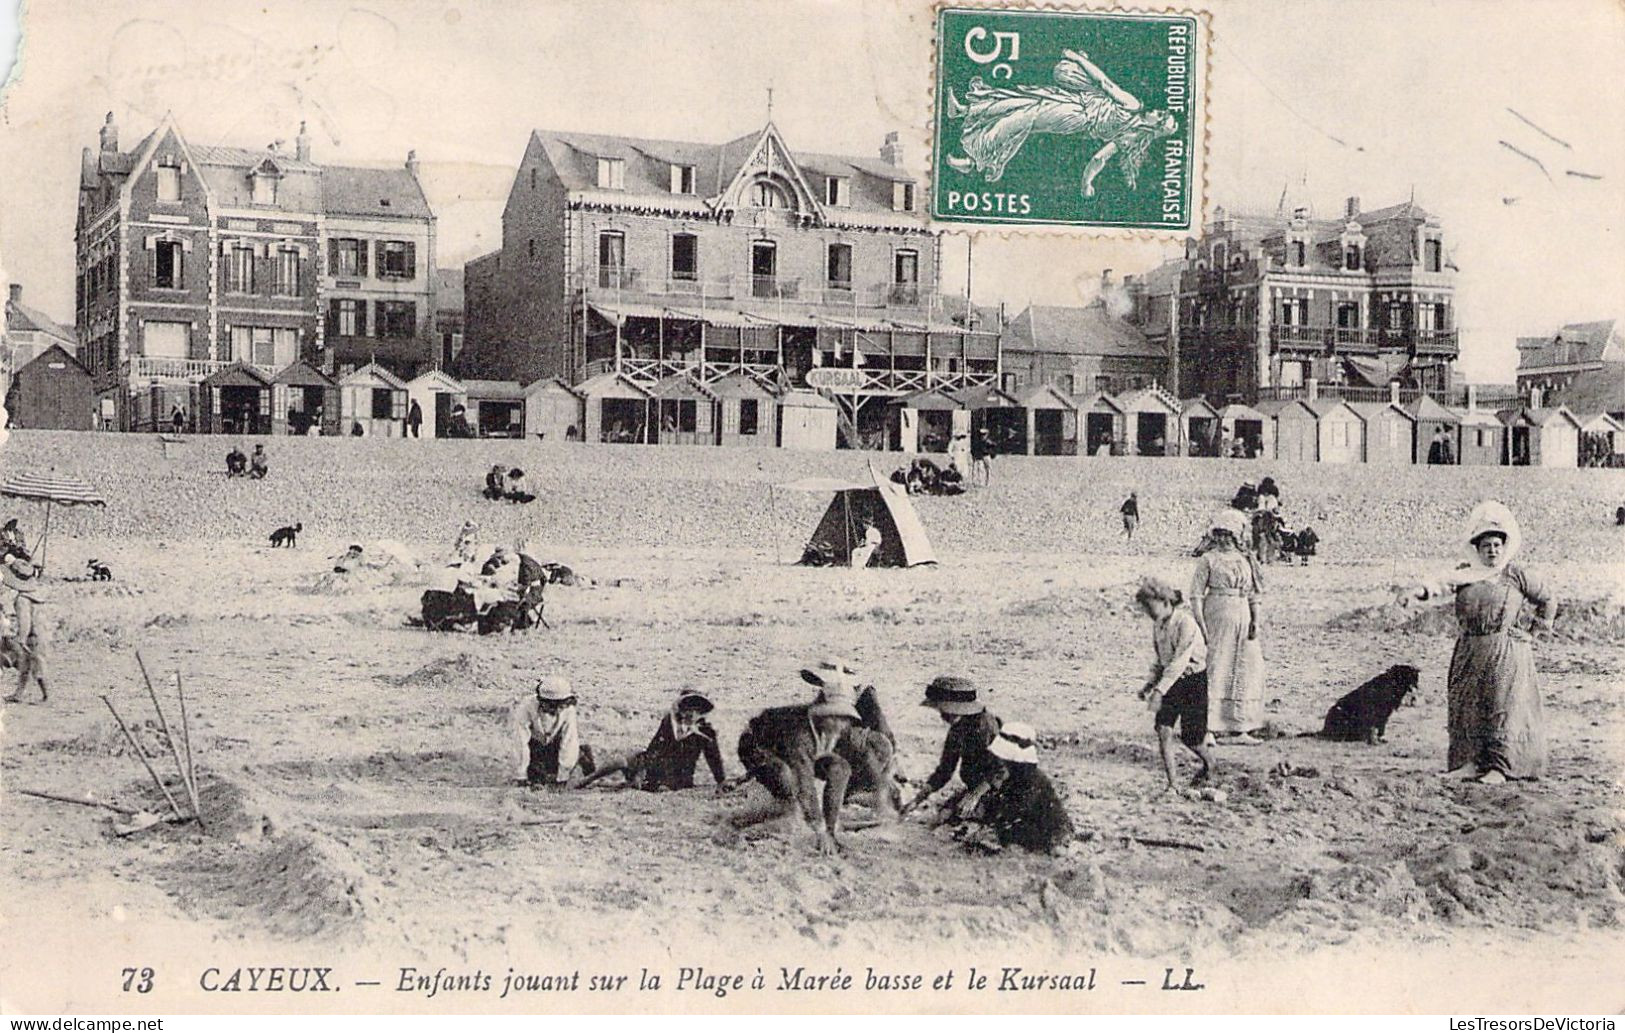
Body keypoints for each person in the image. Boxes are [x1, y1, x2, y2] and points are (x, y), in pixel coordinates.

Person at [1396, 501, 1553, 785]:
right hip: (1469, 650)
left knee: (1502, 706)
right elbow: (1438, 585)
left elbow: (1548, 600)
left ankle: (1499, 767)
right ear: (1476, 549)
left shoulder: (1516, 575)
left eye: (1496, 545)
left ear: (1504, 547)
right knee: (1466, 705)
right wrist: (1413, 592)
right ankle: (1468, 763)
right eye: (1486, 546)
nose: (1492, 550)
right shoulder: (1465, 573)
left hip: (1506, 652)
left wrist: (1535, 632)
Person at [1189, 509, 1265, 744]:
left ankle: (1240, 727)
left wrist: (1255, 621)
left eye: (1227, 535)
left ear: (1236, 537)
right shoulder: (1208, 559)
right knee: (1217, 666)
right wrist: (1201, 625)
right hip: (1217, 615)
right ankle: (1208, 728)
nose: (1222, 539)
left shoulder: (1245, 560)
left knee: (1245, 668)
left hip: (1242, 614)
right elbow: (1196, 594)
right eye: (1219, 534)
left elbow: (1253, 594)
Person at [1134, 577, 1214, 792]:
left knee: (1193, 739)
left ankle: (1209, 763)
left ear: (1165, 602)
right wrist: (1149, 685)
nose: (1149, 614)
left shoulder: (1186, 623)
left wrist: (1159, 690)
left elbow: (1179, 661)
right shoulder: (1158, 627)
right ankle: (1173, 784)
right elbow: (1161, 661)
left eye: (1151, 608)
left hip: (1193, 681)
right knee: (1163, 729)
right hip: (1171, 681)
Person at [955, 722, 1075, 855]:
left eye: (1002, 759)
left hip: (1044, 829)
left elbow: (1017, 810)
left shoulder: (1032, 780)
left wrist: (989, 828)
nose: (997, 761)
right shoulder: (1005, 775)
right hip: (1019, 823)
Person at [579, 690, 727, 791]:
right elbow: (655, 750)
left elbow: (714, 758)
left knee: (625, 778)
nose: (692, 711)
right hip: (653, 770)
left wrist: (721, 781)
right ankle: (588, 778)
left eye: (696, 708)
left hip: (678, 778)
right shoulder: (670, 723)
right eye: (688, 706)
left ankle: (595, 775)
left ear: (701, 711)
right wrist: (642, 772)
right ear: (682, 708)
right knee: (622, 761)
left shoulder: (706, 732)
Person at [902, 675, 1002, 820]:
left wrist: (975, 795)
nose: (942, 716)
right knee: (944, 815)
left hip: (999, 789)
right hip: (976, 788)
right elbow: (945, 769)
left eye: (945, 711)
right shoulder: (958, 729)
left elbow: (1000, 770)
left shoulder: (985, 725)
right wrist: (917, 799)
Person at [509, 675, 596, 789]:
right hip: (536, 746)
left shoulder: (568, 710)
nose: (557, 710)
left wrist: (562, 779)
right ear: (542, 701)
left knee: (565, 764)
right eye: (552, 706)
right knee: (538, 780)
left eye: (560, 706)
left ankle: (581, 754)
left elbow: (569, 741)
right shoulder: (526, 708)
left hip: (555, 744)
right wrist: (521, 776)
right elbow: (520, 743)